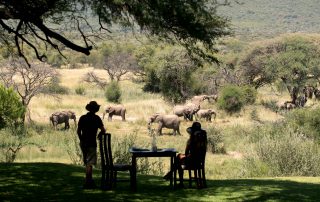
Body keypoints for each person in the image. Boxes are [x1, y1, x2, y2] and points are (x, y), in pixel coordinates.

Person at [77, 101, 106, 189]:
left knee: (87, 162)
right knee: (89, 163)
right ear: (96, 109)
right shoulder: (97, 118)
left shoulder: (82, 118)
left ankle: (89, 180)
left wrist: (81, 140)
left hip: (83, 142)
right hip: (92, 143)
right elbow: (103, 130)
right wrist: (99, 134)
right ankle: (88, 182)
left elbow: (78, 131)